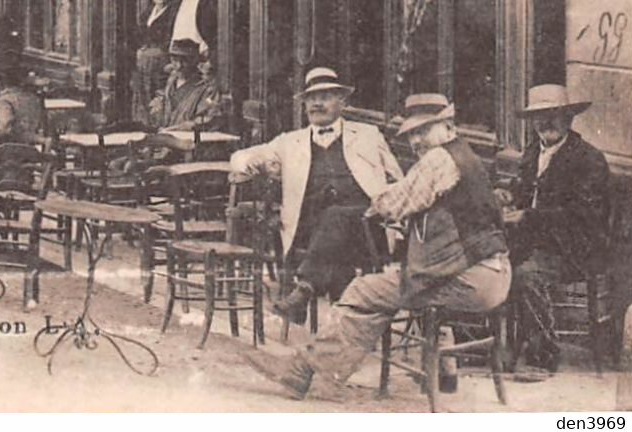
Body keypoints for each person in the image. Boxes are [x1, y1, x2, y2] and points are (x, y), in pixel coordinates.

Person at [245, 93, 511, 400]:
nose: (416, 141)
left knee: (363, 291)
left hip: (469, 280)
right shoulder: (466, 154)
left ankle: (302, 369)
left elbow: (396, 203)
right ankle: (443, 369)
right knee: (388, 294)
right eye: (411, 134)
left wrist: (372, 207)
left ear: (447, 125)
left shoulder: (440, 159)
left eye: (423, 130)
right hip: (491, 275)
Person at [230, 66, 404, 322]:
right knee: (334, 241)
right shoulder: (290, 142)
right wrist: (250, 166)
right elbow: (240, 157)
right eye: (311, 98)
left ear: (342, 101)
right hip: (311, 232)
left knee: (335, 217)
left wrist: (390, 211)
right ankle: (347, 320)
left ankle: (304, 291)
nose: (316, 104)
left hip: (367, 229)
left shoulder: (368, 135)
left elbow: (396, 178)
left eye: (324, 96)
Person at [503, 83, 611, 370]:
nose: (545, 123)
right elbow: (524, 192)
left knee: (526, 276)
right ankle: (496, 346)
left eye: (553, 115)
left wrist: (529, 217)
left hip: (574, 248)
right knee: (489, 262)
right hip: (534, 242)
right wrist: (509, 196)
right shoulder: (532, 153)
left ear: (568, 118)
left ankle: (543, 355)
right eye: (539, 116)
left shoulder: (588, 159)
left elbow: (582, 215)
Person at [148, 38, 226, 131]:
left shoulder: (207, 88)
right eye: (175, 60)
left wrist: (189, 125)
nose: (179, 65)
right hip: (167, 137)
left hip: (190, 139)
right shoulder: (171, 81)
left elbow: (210, 116)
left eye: (185, 60)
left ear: (195, 61)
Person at [133, 0, 178, 124]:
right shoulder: (148, 12)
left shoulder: (174, 12)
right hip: (144, 66)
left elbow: (170, 40)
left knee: (158, 102)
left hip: (161, 64)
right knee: (143, 100)